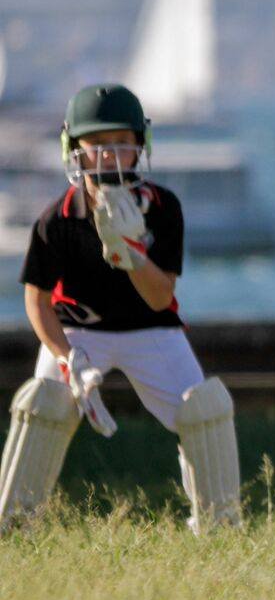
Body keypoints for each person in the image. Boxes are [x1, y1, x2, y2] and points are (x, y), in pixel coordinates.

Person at [0, 83, 241, 532]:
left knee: (203, 410)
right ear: (74, 150)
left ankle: (220, 527)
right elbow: (36, 300)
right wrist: (66, 358)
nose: (110, 155)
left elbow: (159, 297)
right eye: (97, 144)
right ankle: (12, 527)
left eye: (121, 142)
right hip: (78, 331)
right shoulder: (56, 219)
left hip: (150, 329)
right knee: (44, 406)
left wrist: (130, 253)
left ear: (140, 145)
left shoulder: (162, 208)